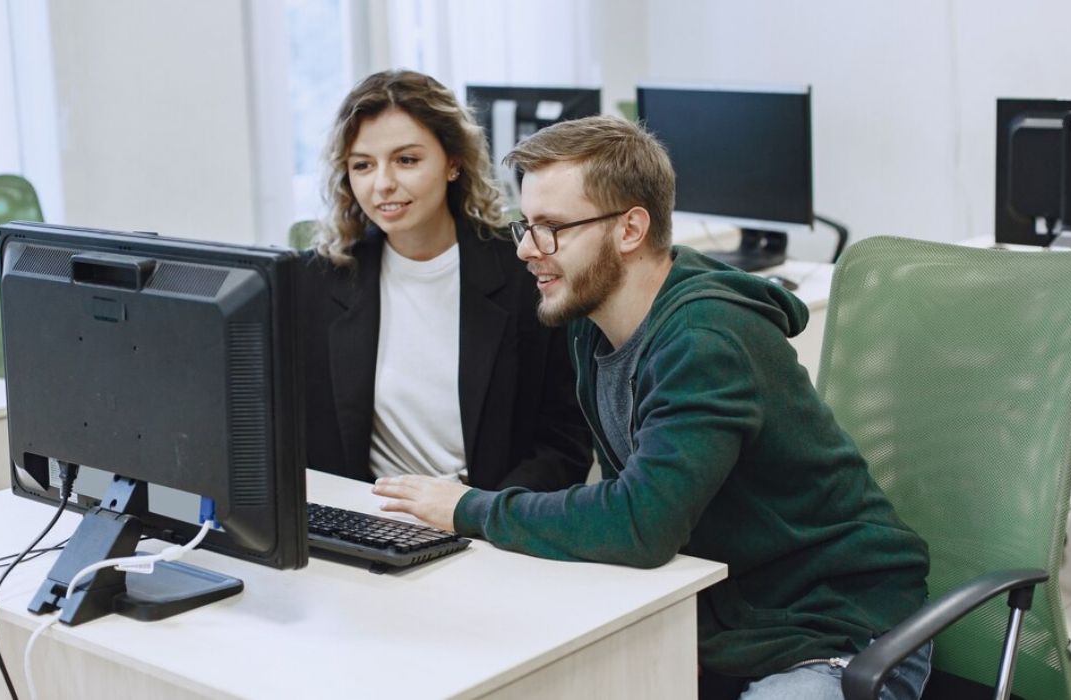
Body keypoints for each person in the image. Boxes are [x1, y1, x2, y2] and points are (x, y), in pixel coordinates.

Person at [372, 115, 932, 699]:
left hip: (844, 629)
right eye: (527, 226)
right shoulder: (593, 323)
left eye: (552, 228)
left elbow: (641, 523)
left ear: (631, 228)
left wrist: (470, 508)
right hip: (734, 622)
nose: (527, 249)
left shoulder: (704, 339)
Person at [297, 69, 593, 492]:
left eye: (407, 160)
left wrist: (478, 512)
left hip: (490, 515)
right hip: (369, 515)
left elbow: (565, 443)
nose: (383, 184)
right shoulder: (317, 282)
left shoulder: (527, 272)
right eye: (363, 165)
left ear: (453, 161)